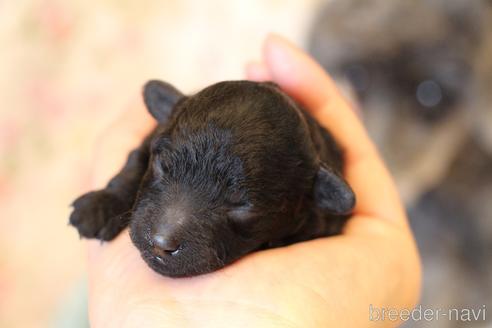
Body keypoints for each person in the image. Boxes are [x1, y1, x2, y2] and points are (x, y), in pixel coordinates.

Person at [84, 35, 421, 327]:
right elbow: (148, 147)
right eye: (163, 167)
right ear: (169, 113)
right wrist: (117, 194)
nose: (162, 234)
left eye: (239, 208)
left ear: (311, 198)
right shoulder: (176, 131)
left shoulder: (320, 220)